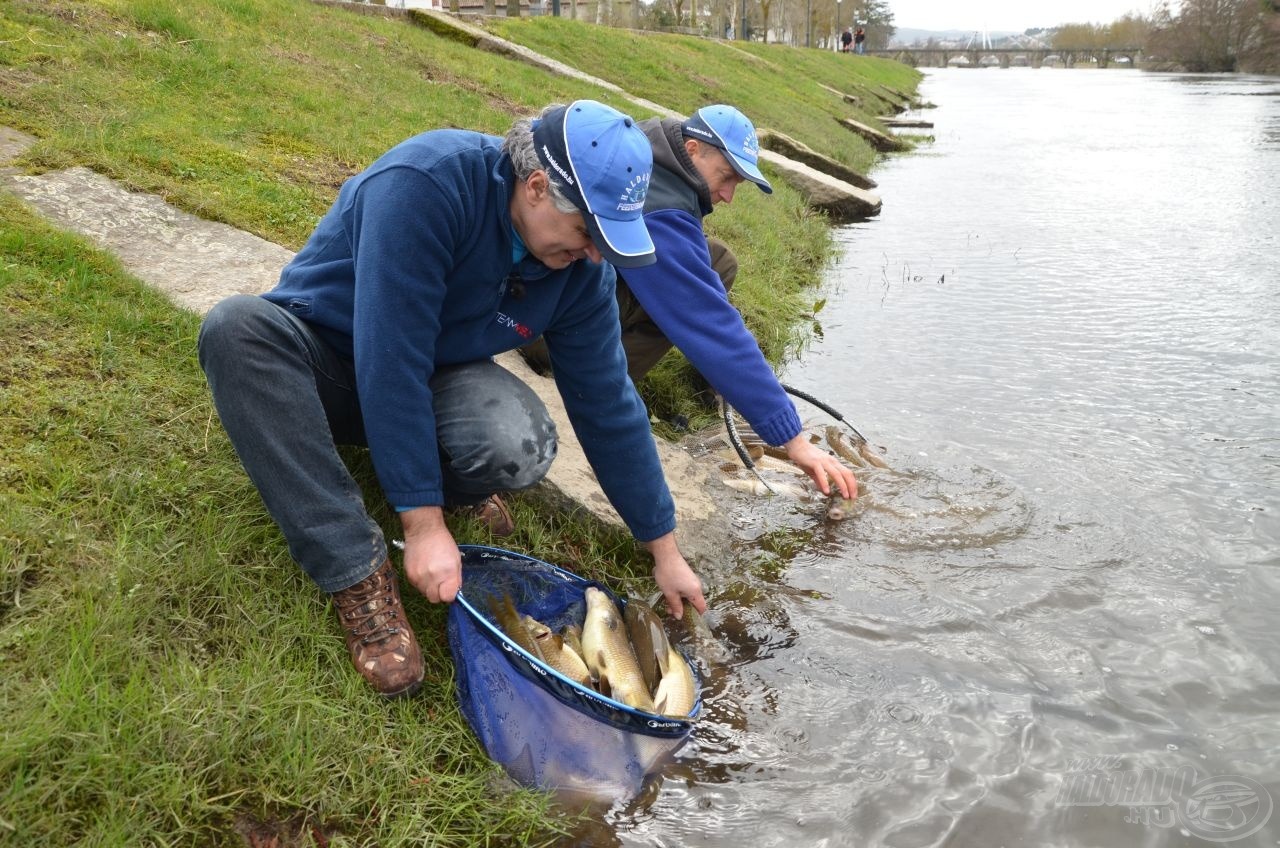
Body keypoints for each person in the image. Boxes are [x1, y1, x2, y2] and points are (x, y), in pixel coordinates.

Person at [197, 100, 707, 700]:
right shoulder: (424, 186)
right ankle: (357, 571)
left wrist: (663, 547)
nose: (595, 254)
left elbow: (608, 403)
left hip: (436, 372)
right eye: (587, 234)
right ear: (538, 188)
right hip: (331, 357)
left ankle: (450, 480)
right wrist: (421, 523)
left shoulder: (578, 269)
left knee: (520, 443)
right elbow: (391, 357)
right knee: (235, 330)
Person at [521, 105, 858, 504]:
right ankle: (592, 377)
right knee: (690, 299)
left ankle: (636, 368)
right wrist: (792, 439)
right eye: (727, 176)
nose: (729, 196)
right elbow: (709, 323)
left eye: (739, 184)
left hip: (548, 290)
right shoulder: (663, 207)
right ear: (694, 148)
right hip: (537, 324)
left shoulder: (653, 144)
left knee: (717, 262)